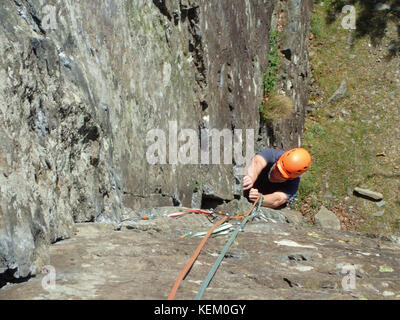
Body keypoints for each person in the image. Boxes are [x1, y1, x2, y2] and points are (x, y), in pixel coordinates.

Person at [242, 147, 311, 209]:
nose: (276, 175)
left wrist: (260, 199)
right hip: (258, 180)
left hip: (269, 192)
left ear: (290, 178)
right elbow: (257, 161)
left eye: (282, 175)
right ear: (278, 160)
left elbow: (278, 199)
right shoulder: (273, 154)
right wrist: (251, 177)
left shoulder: (293, 184)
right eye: (277, 169)